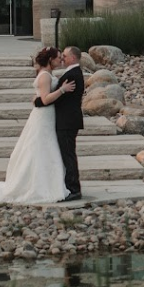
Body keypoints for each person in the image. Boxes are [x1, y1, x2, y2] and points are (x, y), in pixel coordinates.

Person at [0, 46, 74, 204]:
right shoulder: (45, 76)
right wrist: (62, 90)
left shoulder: (47, 74)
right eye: (57, 57)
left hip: (48, 115)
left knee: (45, 146)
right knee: (40, 145)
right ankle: (36, 185)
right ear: (50, 59)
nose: (60, 60)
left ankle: (49, 181)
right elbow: (45, 99)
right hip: (44, 116)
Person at [33, 45, 85, 201]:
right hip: (62, 120)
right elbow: (50, 96)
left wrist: (38, 101)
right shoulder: (70, 73)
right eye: (60, 56)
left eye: (65, 56)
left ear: (73, 58)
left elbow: (53, 99)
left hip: (67, 121)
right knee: (66, 154)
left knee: (68, 154)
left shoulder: (73, 75)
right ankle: (68, 186)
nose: (62, 58)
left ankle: (74, 188)